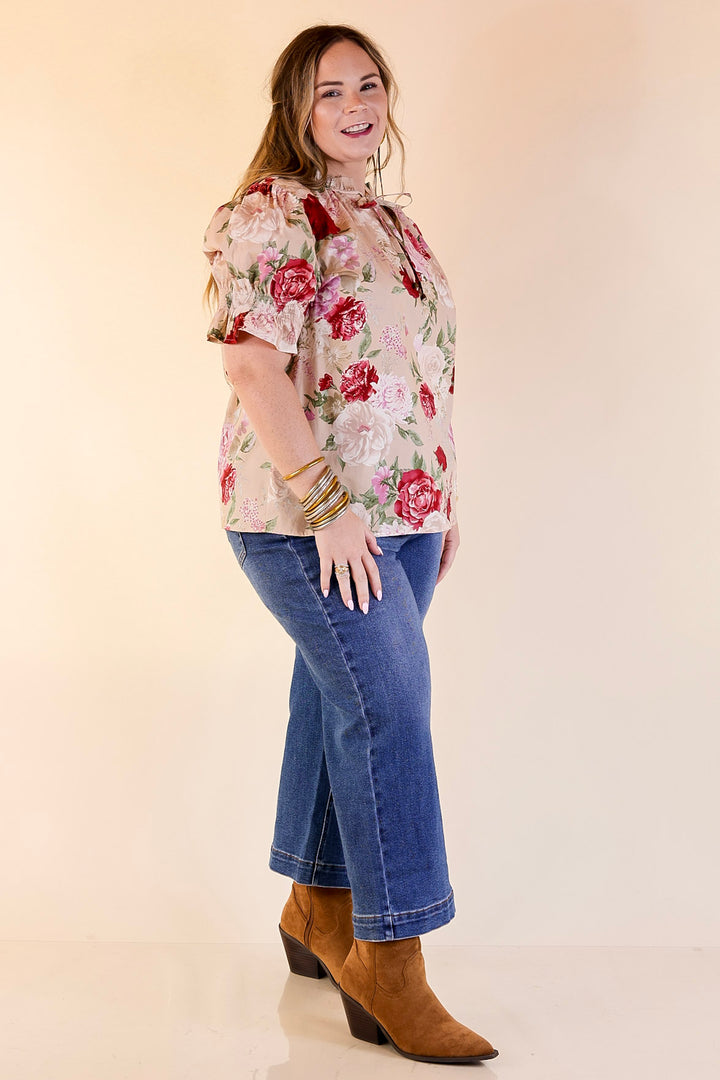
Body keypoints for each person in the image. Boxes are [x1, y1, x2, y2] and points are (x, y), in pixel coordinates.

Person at [202, 23, 499, 1065]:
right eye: (332, 91)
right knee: (389, 706)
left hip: (400, 519)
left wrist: (436, 498)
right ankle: (392, 959)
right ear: (296, 108)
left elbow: (412, 370)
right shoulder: (280, 214)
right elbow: (252, 369)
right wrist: (329, 503)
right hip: (307, 520)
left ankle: (311, 903)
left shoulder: (389, 221)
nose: (357, 104)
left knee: (338, 696)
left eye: (370, 84)